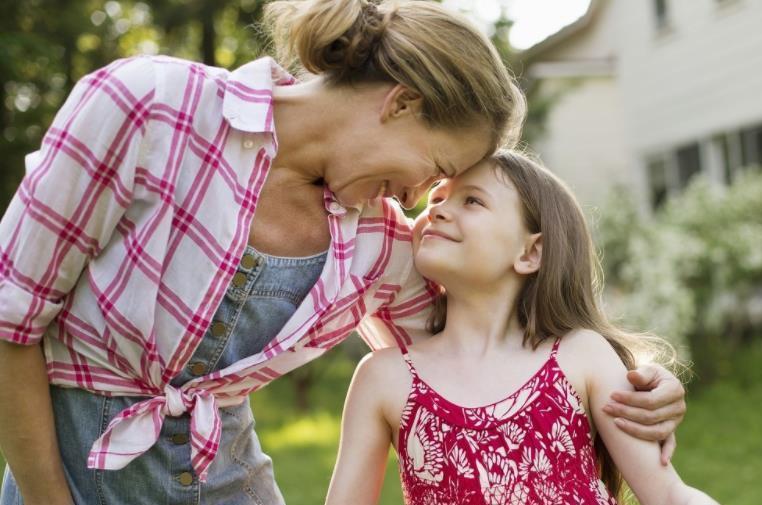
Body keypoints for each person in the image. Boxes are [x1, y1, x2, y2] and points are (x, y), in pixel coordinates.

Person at [0, 1, 685, 504]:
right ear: (402, 103)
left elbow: (485, 357)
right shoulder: (149, 108)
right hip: (68, 477)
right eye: (435, 167)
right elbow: (11, 322)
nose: (422, 197)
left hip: (228, 484)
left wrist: (638, 384)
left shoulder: (383, 244)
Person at [326, 150, 716, 505]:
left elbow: (667, 494)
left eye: (472, 201)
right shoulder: (383, 377)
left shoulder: (581, 355)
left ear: (530, 252)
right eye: (438, 198)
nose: (437, 211)